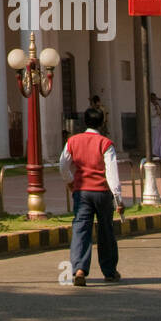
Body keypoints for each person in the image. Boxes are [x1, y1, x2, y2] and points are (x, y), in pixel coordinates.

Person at [59, 105, 124, 285]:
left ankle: (79, 269)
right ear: (102, 123)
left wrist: (71, 181)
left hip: (82, 192)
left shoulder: (73, 141)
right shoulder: (105, 143)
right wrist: (118, 198)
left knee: (81, 230)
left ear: (84, 122)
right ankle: (110, 271)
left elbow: (63, 165)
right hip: (102, 193)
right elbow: (112, 173)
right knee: (106, 231)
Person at [149, 93, 161, 159]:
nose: (154, 99)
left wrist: (158, 99)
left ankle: (159, 153)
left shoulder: (157, 103)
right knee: (154, 139)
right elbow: (152, 114)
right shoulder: (150, 105)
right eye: (153, 98)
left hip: (159, 123)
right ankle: (154, 152)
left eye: (155, 98)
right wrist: (156, 109)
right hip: (154, 124)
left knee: (159, 138)